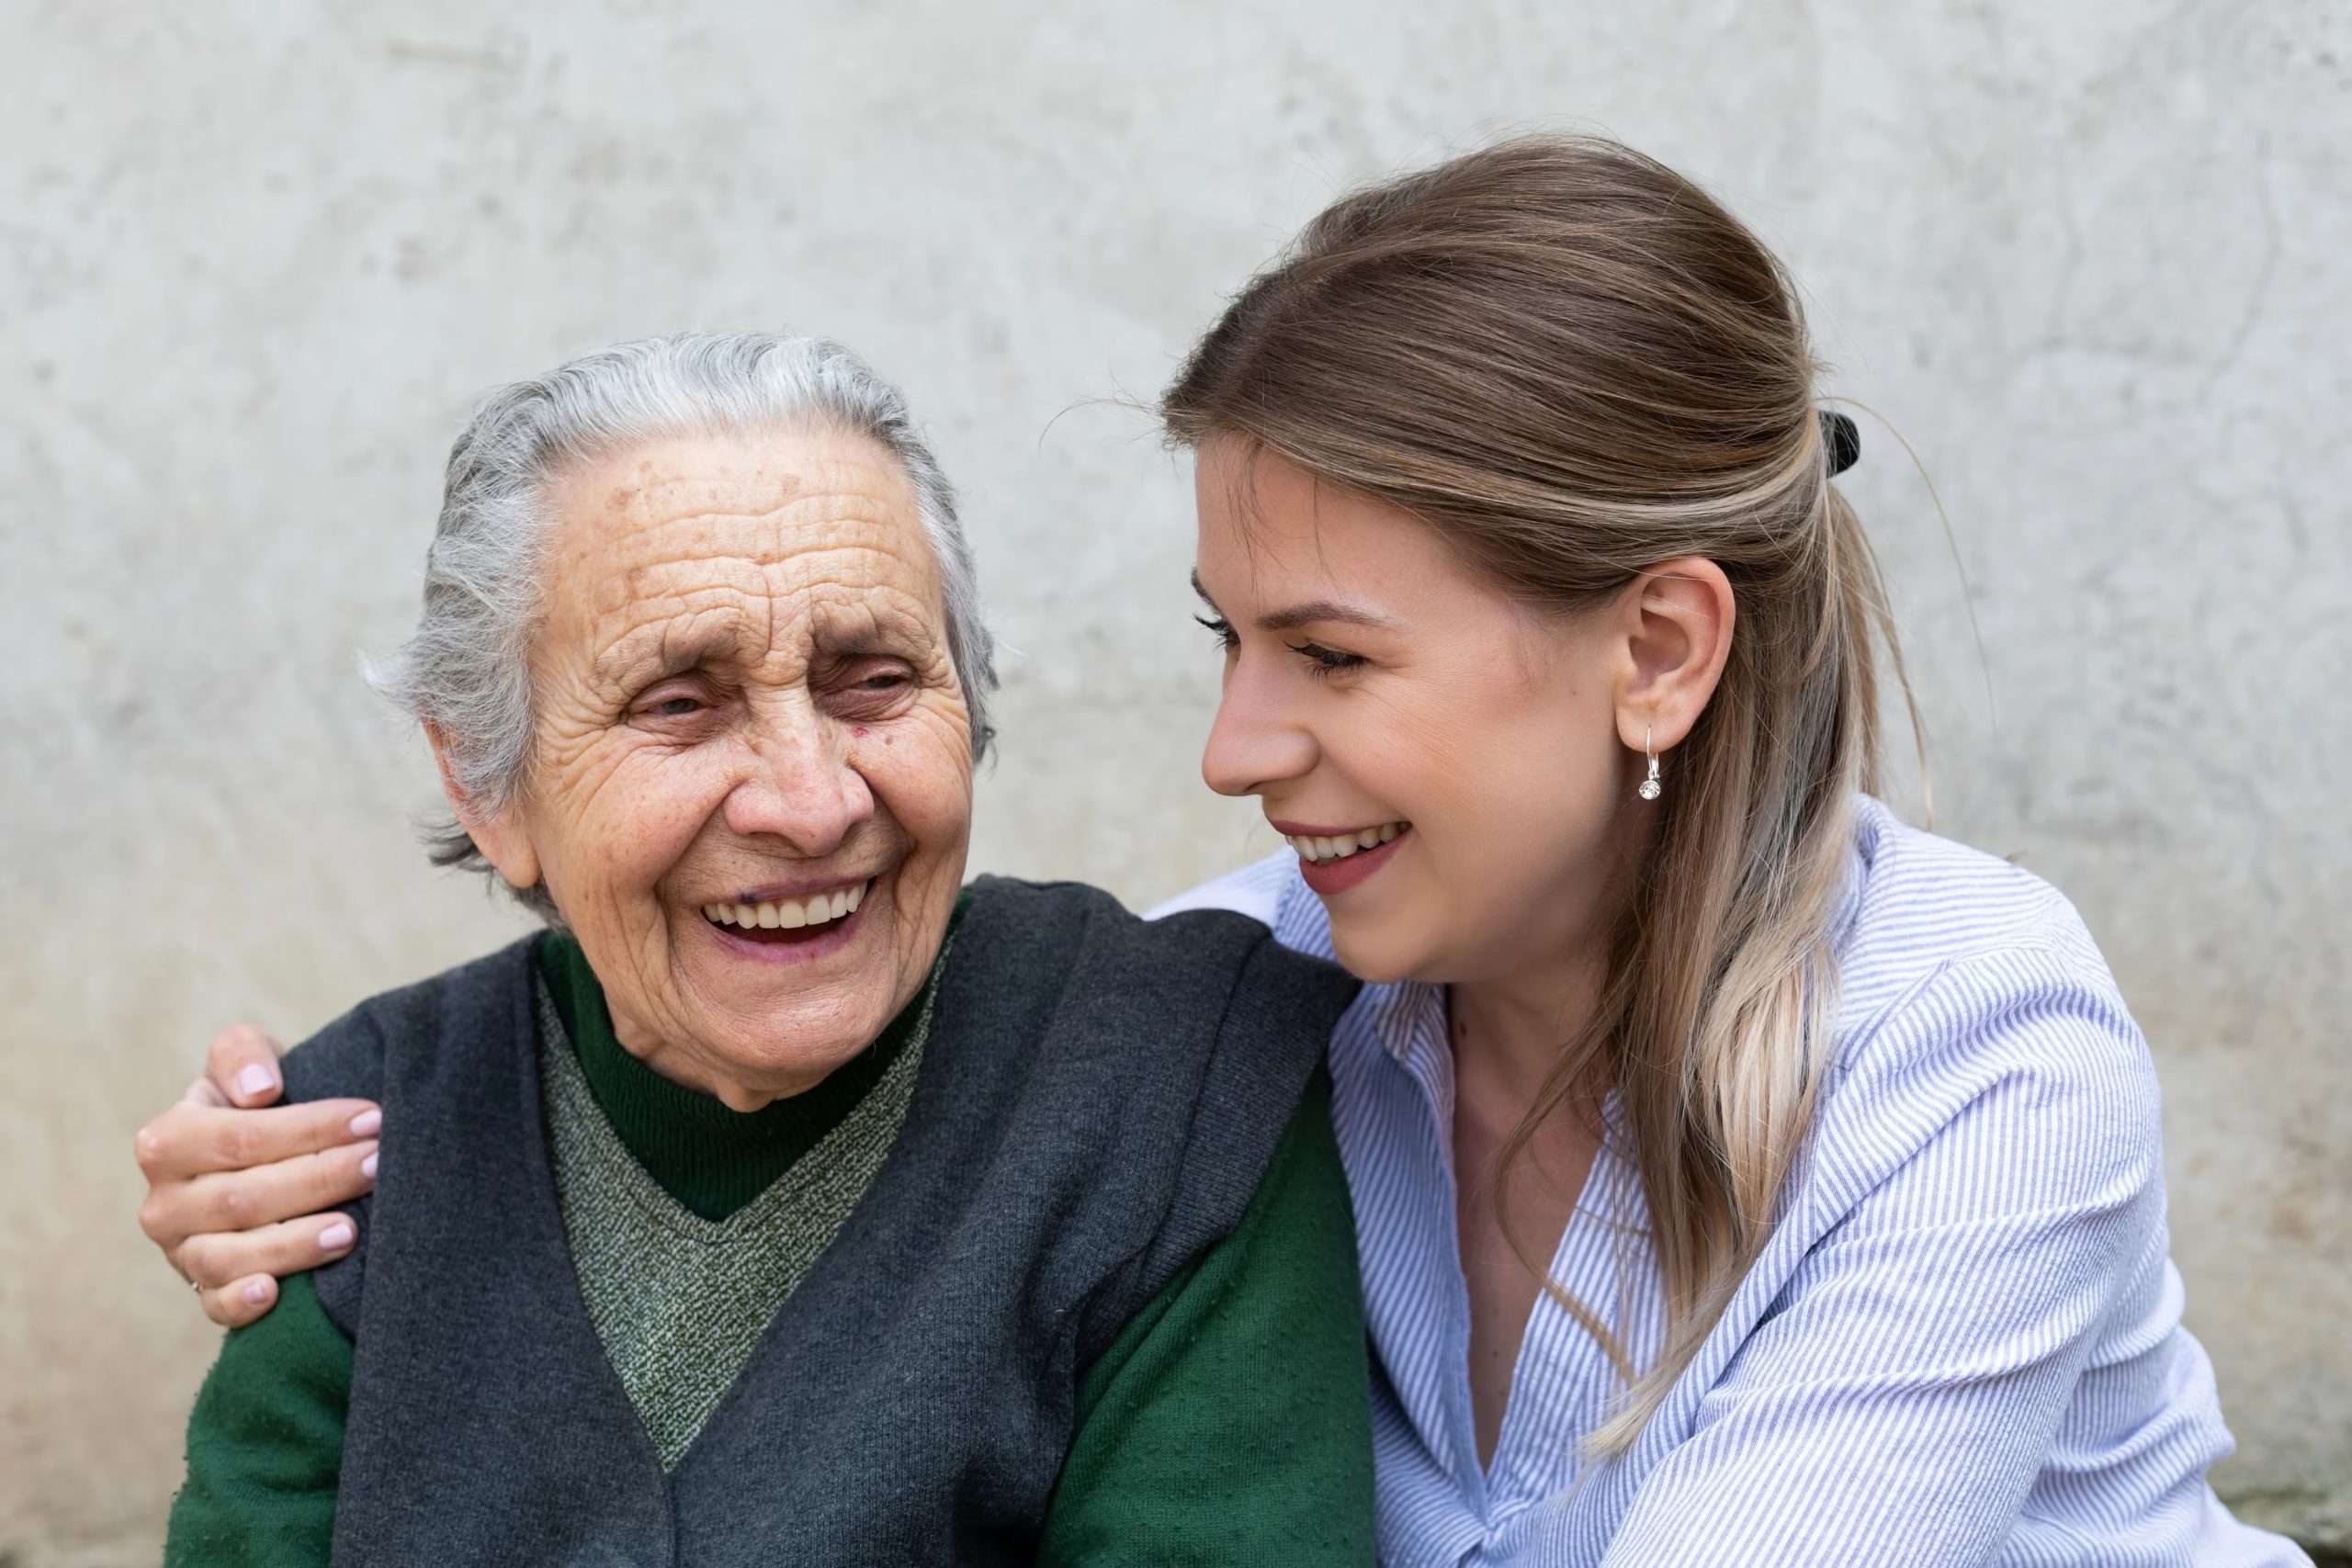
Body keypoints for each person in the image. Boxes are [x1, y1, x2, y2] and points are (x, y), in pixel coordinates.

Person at [137, 139, 2307, 1566]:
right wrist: (291, 1169)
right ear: (483, 779)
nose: (1231, 745)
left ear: (1655, 647)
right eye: (1224, 638)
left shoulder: (1973, 1062)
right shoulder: (1239, 1016)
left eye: (1329, 655)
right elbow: (900, 1011)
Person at [146, 333, 1377, 1566]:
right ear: (487, 785)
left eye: (872, 681)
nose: (811, 800)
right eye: (678, 704)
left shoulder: (1174, 1084)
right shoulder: (352, 1148)